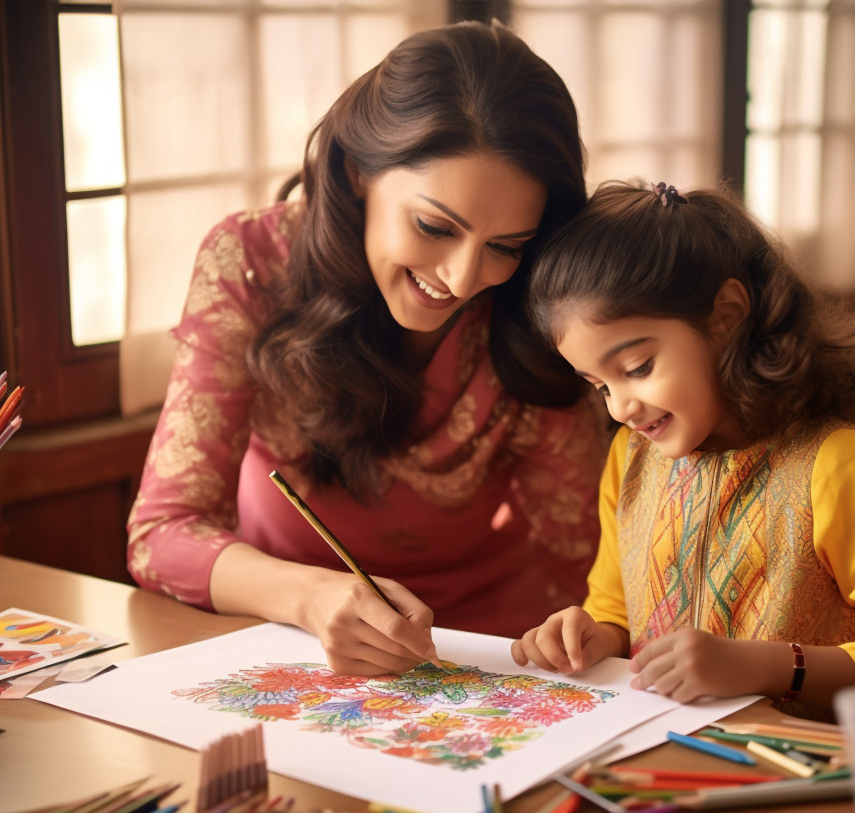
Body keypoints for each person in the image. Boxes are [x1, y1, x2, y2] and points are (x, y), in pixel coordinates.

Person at [127, 22, 606, 677]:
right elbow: (163, 535)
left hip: (489, 650)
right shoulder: (252, 263)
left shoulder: (530, 298)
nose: (464, 279)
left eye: (505, 245)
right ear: (357, 171)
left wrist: (593, 629)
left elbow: (590, 551)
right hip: (284, 635)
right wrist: (312, 595)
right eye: (434, 226)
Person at [510, 180, 855, 719]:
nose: (620, 410)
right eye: (600, 385)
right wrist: (589, 635)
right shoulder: (629, 461)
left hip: (796, 774)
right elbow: (615, 612)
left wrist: (766, 667)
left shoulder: (831, 463)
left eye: (637, 369)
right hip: (665, 762)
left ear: (726, 315)